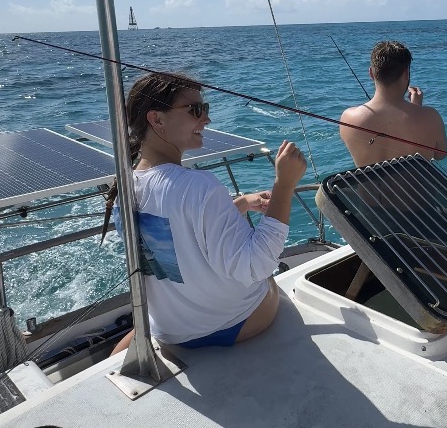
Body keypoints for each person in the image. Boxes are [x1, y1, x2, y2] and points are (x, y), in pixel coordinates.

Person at [107, 71, 307, 354]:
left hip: (171, 332)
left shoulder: (123, 189)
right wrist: (285, 184)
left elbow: (176, 238)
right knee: (268, 280)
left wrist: (238, 205)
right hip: (235, 323)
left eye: (206, 109)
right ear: (156, 119)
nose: (206, 119)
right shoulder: (199, 186)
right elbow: (256, 266)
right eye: (195, 110)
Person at [339, 40, 447, 167]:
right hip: (417, 187)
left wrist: (415, 108)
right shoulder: (431, 116)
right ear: (406, 74)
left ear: (371, 73)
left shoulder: (348, 118)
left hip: (370, 187)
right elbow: (440, 155)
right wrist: (417, 108)